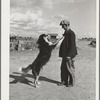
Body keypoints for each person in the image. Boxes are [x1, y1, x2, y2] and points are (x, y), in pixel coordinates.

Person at [57, 20, 78, 87]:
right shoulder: (66, 33)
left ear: (67, 25)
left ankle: (71, 83)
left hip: (69, 55)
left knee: (70, 69)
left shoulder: (71, 33)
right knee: (63, 68)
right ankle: (64, 81)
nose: (62, 27)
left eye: (63, 26)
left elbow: (72, 45)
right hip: (65, 54)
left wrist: (69, 55)